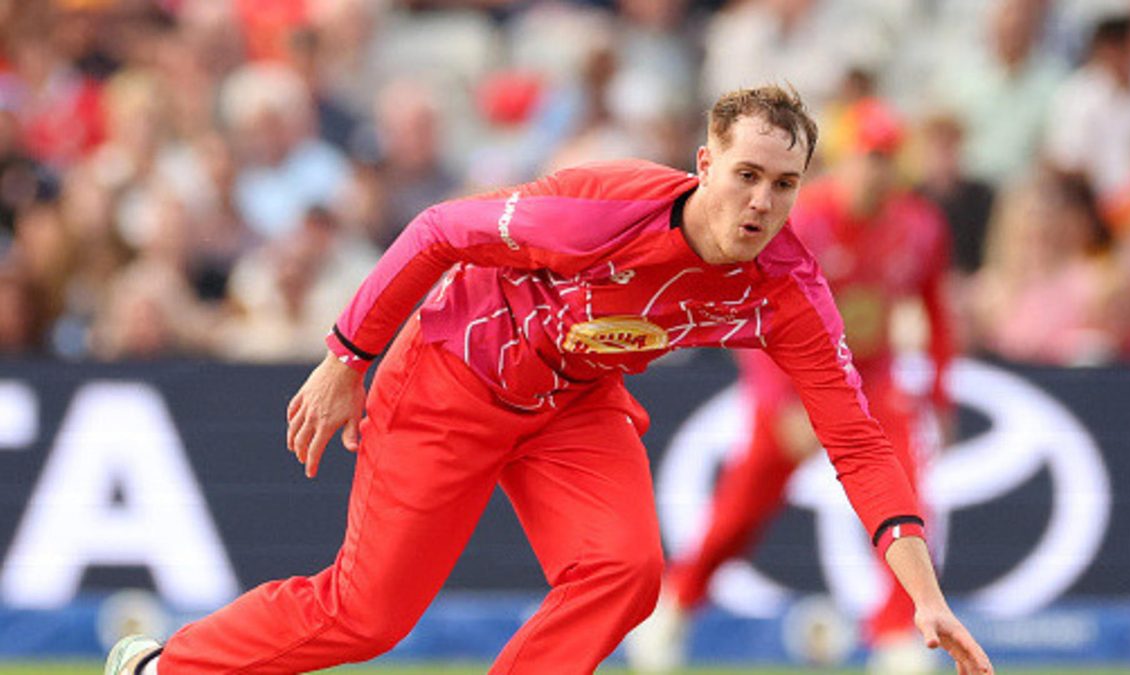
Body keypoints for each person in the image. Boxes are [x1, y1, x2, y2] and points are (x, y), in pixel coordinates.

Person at [106, 85, 992, 675]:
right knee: (367, 617)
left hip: (574, 400)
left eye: (784, 184)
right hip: (454, 378)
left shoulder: (790, 291)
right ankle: (157, 666)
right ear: (705, 165)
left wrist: (924, 595)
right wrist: (348, 355)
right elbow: (436, 231)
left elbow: (861, 442)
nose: (760, 202)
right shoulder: (598, 215)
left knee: (627, 569)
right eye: (746, 176)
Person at [626, 97, 957, 674]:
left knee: (905, 499)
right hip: (796, 375)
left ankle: (896, 636)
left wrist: (940, 394)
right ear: (845, 158)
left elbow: (936, 313)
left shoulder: (920, 227)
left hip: (869, 381)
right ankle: (677, 603)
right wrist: (779, 399)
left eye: (886, 158)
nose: (875, 170)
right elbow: (752, 304)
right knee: (740, 509)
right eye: (866, 155)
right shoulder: (805, 217)